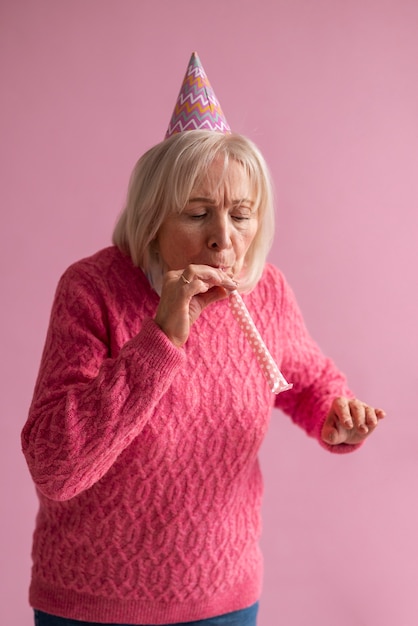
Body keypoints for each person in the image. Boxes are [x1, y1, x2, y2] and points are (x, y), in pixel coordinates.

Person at [22, 54, 385, 626]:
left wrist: (333, 417)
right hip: (91, 604)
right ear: (151, 218)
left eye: (241, 216)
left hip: (224, 601)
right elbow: (55, 466)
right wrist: (163, 335)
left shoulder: (265, 293)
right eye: (197, 214)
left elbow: (307, 381)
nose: (223, 240)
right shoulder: (91, 290)